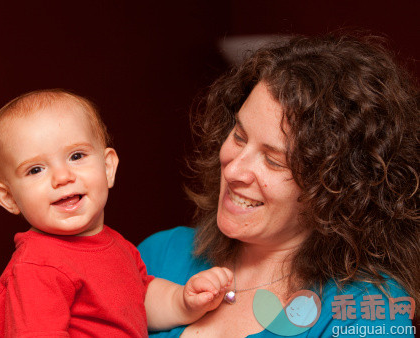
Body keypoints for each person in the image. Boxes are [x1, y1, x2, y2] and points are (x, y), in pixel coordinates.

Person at [139, 33, 419, 337]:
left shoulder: (369, 311)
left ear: (333, 188)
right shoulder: (159, 255)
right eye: (239, 136)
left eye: (273, 160)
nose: (234, 170)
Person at [0, 89, 234, 337]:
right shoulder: (37, 266)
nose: (62, 177)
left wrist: (183, 301)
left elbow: (140, 302)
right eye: (36, 170)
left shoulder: (118, 246)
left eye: (76, 156)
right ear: (9, 198)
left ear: (108, 168)